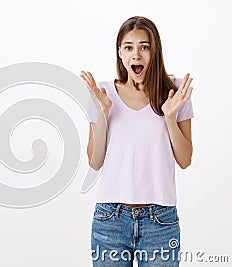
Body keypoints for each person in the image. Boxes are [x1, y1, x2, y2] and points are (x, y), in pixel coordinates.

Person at [80, 16, 194, 266]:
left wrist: (170, 117)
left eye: (144, 46)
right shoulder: (103, 93)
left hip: (160, 222)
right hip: (110, 220)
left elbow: (185, 160)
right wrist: (102, 113)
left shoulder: (173, 91)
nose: (136, 55)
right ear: (120, 53)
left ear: (155, 51)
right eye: (129, 47)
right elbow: (95, 162)